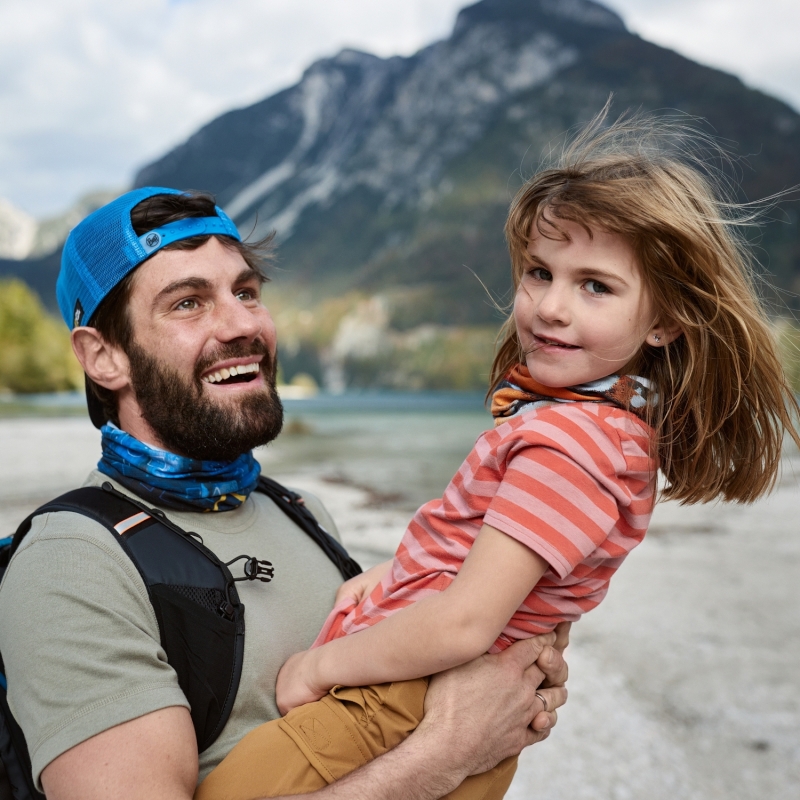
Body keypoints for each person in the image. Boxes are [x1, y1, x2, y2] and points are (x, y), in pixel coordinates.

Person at [194, 109, 800, 800]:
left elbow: (464, 623)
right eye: (540, 272)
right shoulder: (600, 428)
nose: (550, 307)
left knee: (226, 793)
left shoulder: (570, 447)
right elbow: (493, 552)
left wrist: (321, 666)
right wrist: (398, 573)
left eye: (595, 285)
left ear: (663, 321)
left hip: (397, 702)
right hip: (420, 696)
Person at [0, 187, 568, 800]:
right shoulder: (72, 563)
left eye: (246, 292)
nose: (244, 324)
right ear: (104, 356)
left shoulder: (298, 511)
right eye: (188, 303)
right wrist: (449, 752)